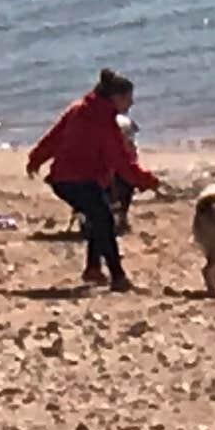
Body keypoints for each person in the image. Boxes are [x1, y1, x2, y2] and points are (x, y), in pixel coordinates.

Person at [26, 68, 158, 291]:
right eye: (128, 98)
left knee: (100, 217)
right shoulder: (104, 122)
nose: (131, 103)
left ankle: (93, 269)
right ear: (116, 97)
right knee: (104, 220)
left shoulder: (79, 109)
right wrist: (146, 180)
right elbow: (121, 161)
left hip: (70, 180)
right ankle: (118, 278)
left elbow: (54, 137)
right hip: (74, 181)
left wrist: (36, 158)